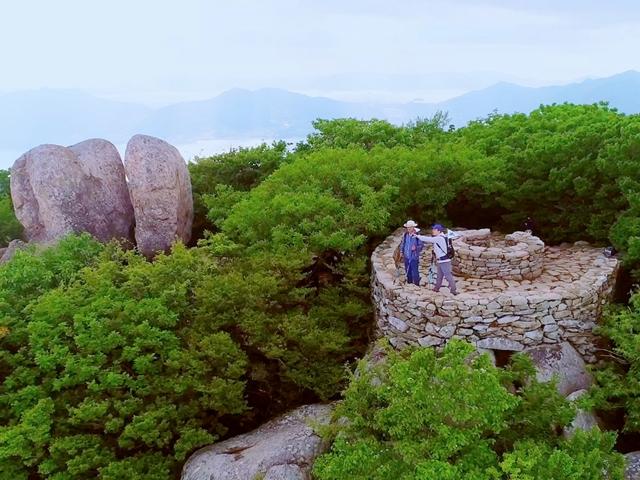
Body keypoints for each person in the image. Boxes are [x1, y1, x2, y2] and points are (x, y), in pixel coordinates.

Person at [415, 224, 458, 295]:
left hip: (444, 261)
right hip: (440, 260)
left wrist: (417, 236)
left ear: (438, 230)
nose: (432, 231)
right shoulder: (443, 237)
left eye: (434, 230)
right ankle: (436, 288)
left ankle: (453, 290)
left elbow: (428, 239)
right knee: (439, 275)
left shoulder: (439, 238)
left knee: (448, 276)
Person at [399, 220, 423, 285]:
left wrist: (416, 248)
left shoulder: (417, 236)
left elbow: (421, 246)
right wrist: (401, 251)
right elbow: (403, 243)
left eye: (410, 227)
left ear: (413, 227)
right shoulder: (405, 235)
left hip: (414, 257)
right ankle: (410, 284)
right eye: (407, 227)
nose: (408, 229)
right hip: (406, 256)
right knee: (408, 271)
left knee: (415, 272)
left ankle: (416, 285)